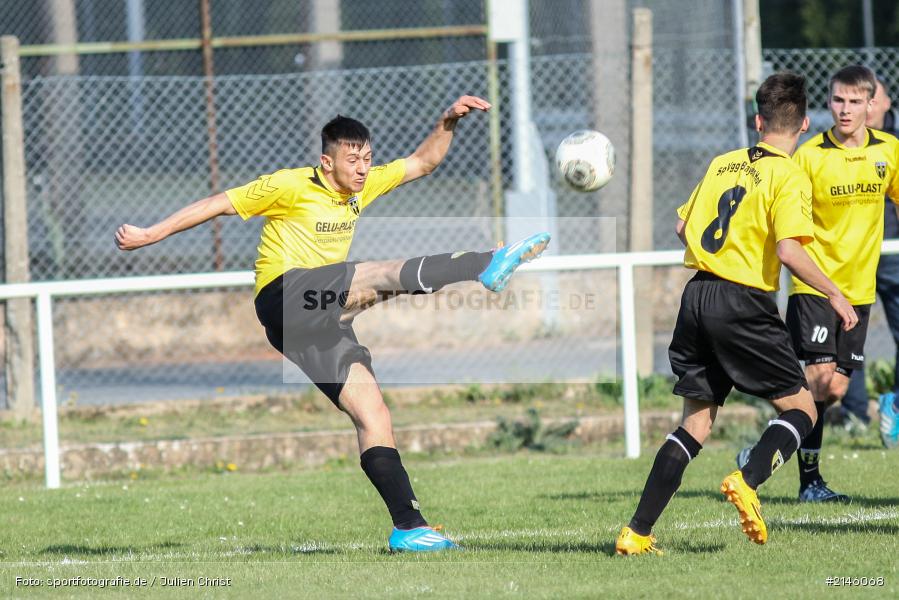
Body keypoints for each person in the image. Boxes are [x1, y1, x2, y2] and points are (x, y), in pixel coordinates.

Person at [115, 95, 551, 552]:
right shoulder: (288, 185)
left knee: (373, 413)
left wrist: (448, 122)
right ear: (327, 162)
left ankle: (409, 527)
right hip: (283, 296)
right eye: (352, 159)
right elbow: (218, 204)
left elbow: (423, 162)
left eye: (367, 158)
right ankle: (485, 262)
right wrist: (151, 234)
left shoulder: (362, 187)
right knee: (381, 274)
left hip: (315, 319)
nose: (363, 168)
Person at [615, 72, 858, 556]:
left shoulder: (723, 162)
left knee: (696, 423)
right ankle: (747, 480)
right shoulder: (789, 174)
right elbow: (789, 250)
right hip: (742, 301)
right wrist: (833, 292)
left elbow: (684, 225)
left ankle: (637, 533)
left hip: (698, 294)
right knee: (803, 409)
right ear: (805, 123)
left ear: (757, 120)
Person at [781, 66, 899, 499]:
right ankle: (809, 482)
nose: (845, 110)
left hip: (859, 289)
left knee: (837, 388)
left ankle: (774, 439)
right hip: (814, 285)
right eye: (837, 100)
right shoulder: (809, 156)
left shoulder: (889, 151)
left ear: (872, 105)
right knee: (820, 377)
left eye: (854, 102)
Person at [840, 77, 899, 449]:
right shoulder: (834, 146)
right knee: (850, 332)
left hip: (893, 251)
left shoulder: (893, 145)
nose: (864, 106)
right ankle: (855, 413)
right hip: (853, 255)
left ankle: (894, 404)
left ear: (883, 102)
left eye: (870, 99)